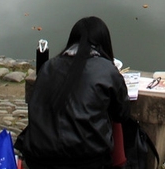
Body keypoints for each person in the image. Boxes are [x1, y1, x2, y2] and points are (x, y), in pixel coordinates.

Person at [15, 16, 131, 169]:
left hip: (38, 160)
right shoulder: (106, 69)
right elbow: (122, 113)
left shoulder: (48, 66)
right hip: (87, 162)